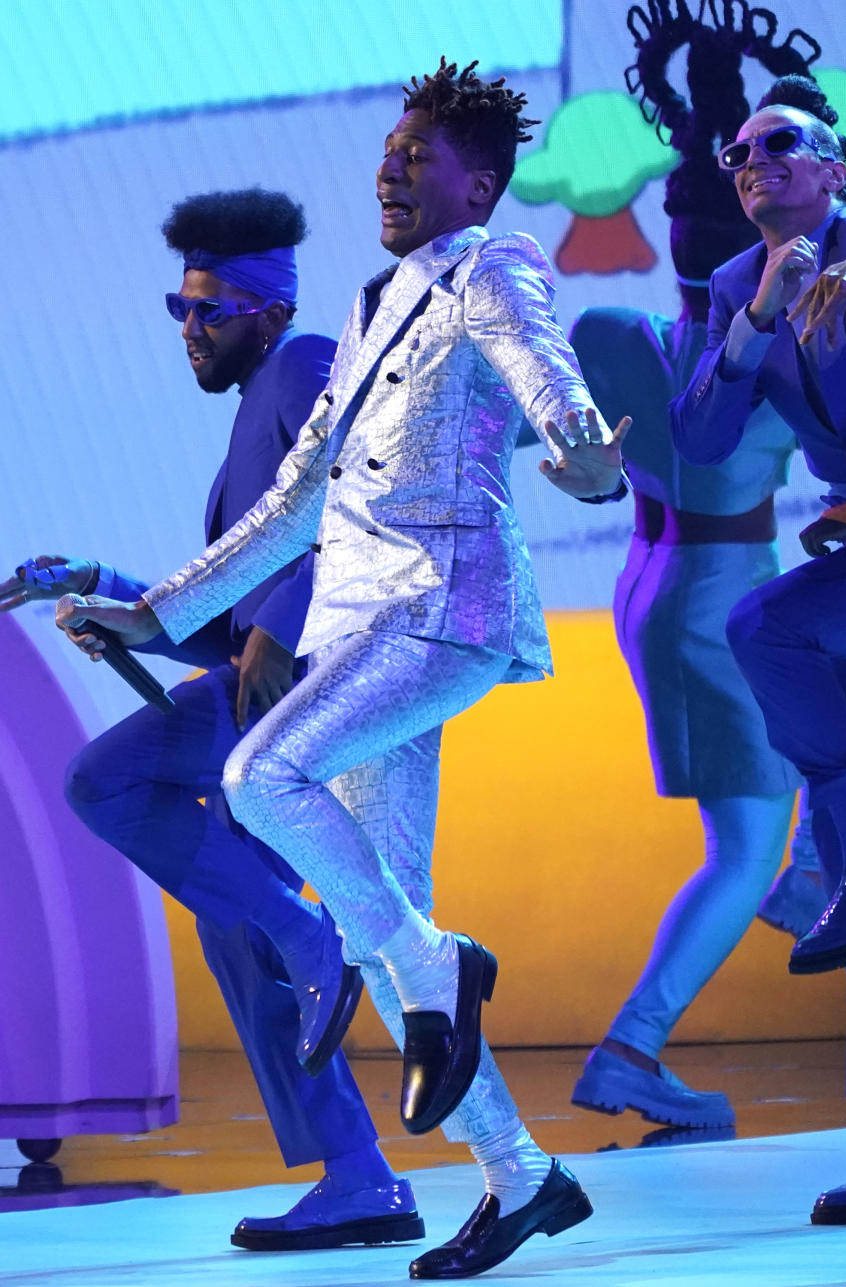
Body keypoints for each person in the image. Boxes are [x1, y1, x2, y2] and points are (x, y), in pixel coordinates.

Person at [56, 60, 629, 1280]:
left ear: (478, 180)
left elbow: (549, 388)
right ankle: (522, 1178)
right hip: (358, 630)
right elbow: (284, 510)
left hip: (441, 611)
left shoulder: (495, 264)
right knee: (384, 932)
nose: (390, 166)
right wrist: (153, 614)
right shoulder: (374, 308)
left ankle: (435, 967)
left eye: (417, 154)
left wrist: (588, 463)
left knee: (261, 775)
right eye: (386, 150)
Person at [0, 188, 429, 1252]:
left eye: (210, 312)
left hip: (319, 694)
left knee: (109, 783)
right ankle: (360, 1178)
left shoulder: (303, 365)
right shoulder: (252, 407)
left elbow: (347, 508)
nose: (189, 332)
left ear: (269, 310)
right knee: (230, 924)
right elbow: (232, 625)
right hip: (270, 686)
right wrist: (119, 602)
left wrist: (277, 628)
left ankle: (303, 924)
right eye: (178, 310)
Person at [670, 76, 846, 1223]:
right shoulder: (739, 281)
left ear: (835, 167)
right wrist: (751, 320)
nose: (754, 166)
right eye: (738, 156)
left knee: (760, 620)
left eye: (781, 146)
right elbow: (698, 434)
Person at [570, 8, 826, 1134]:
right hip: (721, 591)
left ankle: (821, 866)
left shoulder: (611, 329)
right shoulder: (772, 346)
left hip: (651, 578)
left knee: (768, 818)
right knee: (749, 846)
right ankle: (633, 1045)